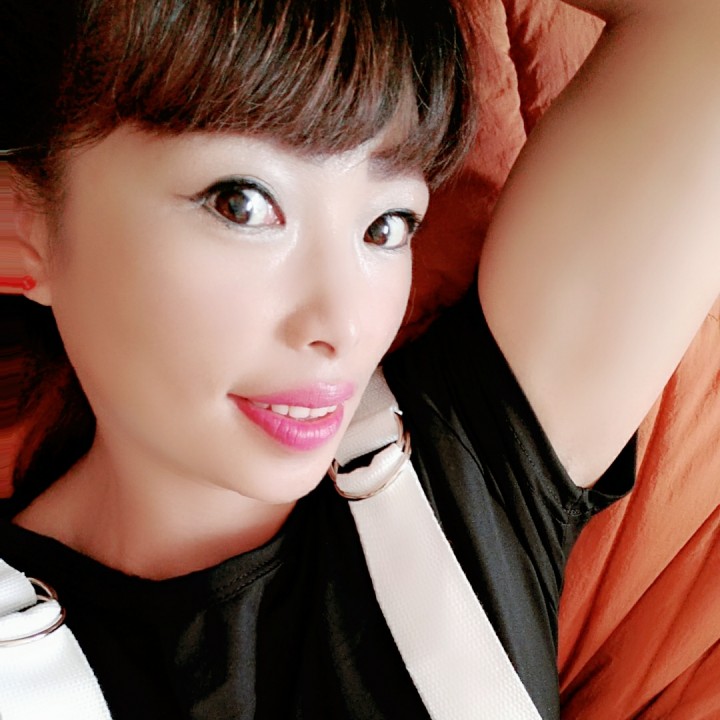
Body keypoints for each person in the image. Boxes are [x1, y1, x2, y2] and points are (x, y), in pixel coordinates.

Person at [1, 0, 719, 718]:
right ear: (18, 226)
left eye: (386, 225)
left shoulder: (470, 473)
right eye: (242, 203)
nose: (342, 324)